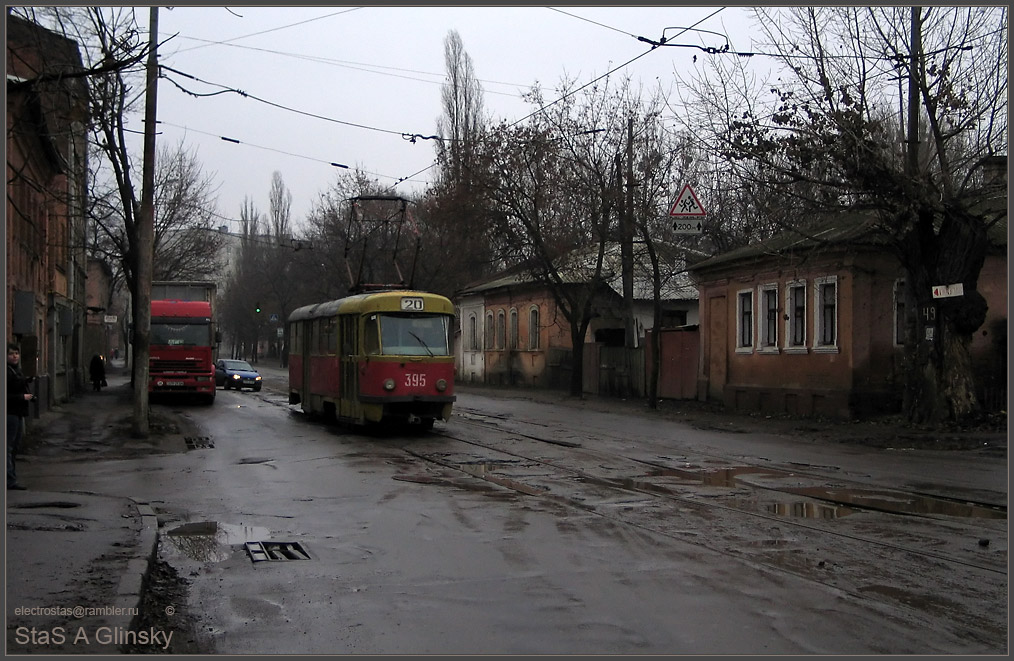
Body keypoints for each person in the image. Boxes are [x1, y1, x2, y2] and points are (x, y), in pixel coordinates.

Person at [7, 342, 34, 490]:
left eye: (16, 353)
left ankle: (11, 477)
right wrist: (21, 397)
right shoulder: (7, 371)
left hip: (17, 412)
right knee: (8, 448)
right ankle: (9, 480)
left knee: (14, 447)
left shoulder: (16, 370)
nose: (14, 356)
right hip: (9, 413)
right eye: (11, 354)